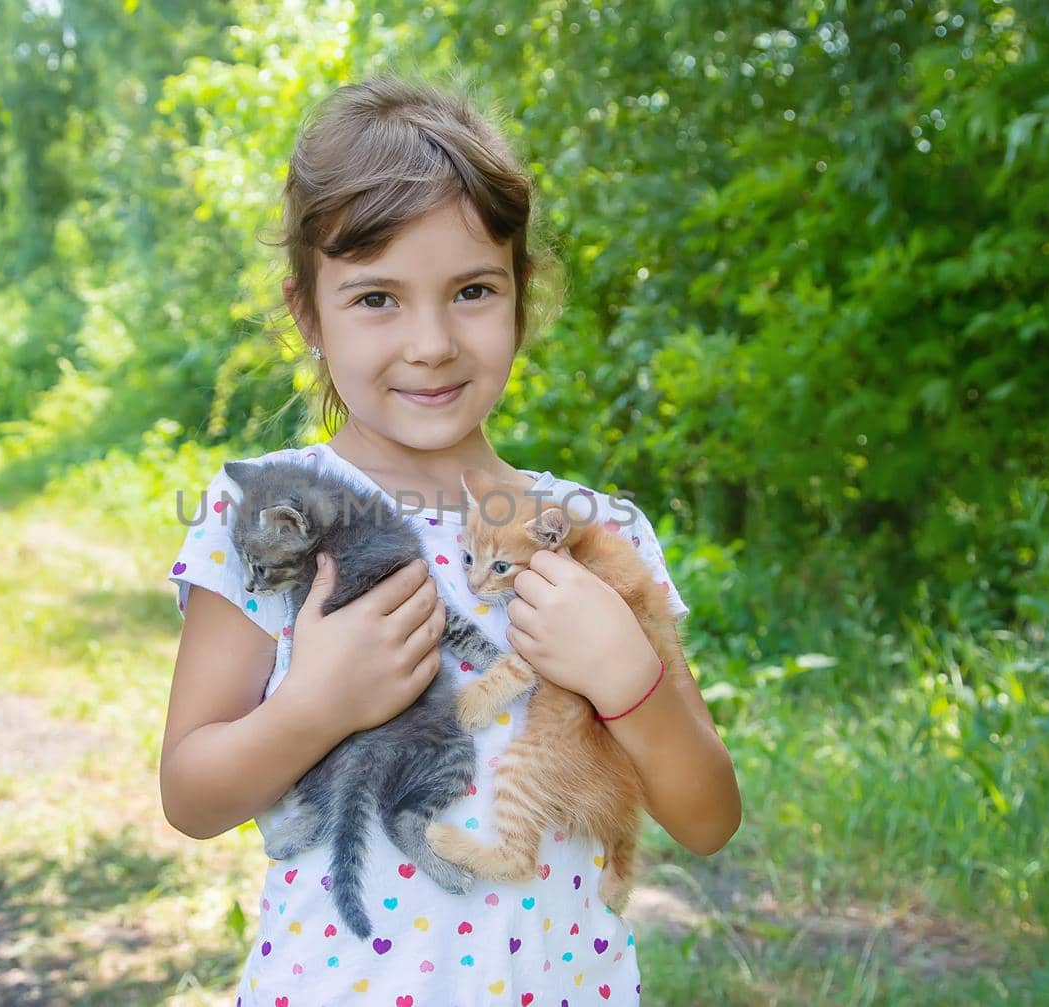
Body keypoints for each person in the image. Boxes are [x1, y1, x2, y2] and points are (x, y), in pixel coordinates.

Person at [161, 73, 741, 1007]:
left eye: (471, 290)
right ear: (308, 313)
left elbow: (708, 816)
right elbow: (191, 795)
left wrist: (627, 680)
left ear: (522, 295)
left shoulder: (596, 534)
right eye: (377, 298)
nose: (430, 342)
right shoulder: (269, 512)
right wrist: (315, 705)